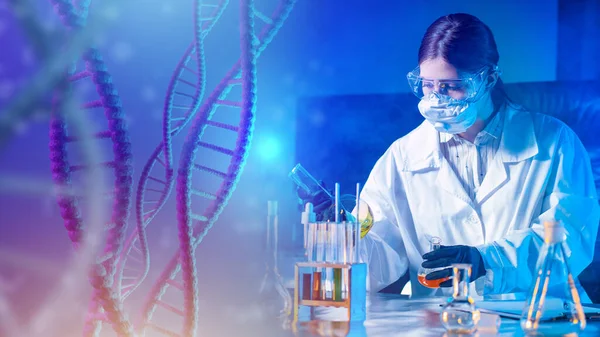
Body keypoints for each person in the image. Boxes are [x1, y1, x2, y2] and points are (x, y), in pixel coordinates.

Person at [297, 13, 600, 300]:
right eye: (428, 86)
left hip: (536, 319)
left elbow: (570, 241)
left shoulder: (554, 143)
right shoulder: (403, 158)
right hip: (444, 322)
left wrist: (486, 260)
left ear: (489, 78)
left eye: (453, 87)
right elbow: (377, 269)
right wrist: (343, 234)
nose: (436, 100)